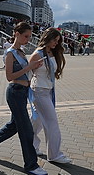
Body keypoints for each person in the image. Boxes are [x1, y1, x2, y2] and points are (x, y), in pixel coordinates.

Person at [0, 22, 48, 175]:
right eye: (26, 36)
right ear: (17, 34)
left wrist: (34, 66)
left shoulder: (21, 51)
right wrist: (29, 66)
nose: (28, 39)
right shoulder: (10, 52)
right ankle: (31, 164)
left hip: (23, 92)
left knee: (14, 125)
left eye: (29, 37)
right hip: (15, 92)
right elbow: (9, 76)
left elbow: (26, 72)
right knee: (26, 129)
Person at [30, 28, 71, 164]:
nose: (55, 43)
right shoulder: (37, 54)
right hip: (39, 91)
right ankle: (54, 155)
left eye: (58, 41)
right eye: (54, 40)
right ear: (47, 38)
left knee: (38, 121)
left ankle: (32, 146)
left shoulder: (53, 52)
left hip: (48, 90)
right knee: (52, 122)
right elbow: (29, 73)